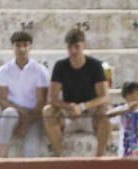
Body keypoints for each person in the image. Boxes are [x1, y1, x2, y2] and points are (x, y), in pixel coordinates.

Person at [43, 29, 111, 157]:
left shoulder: (95, 65)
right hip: (68, 113)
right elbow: (52, 98)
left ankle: (100, 156)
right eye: (70, 47)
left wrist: (83, 107)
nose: (73, 51)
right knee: (48, 111)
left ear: (84, 46)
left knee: (106, 111)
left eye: (76, 47)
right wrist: (69, 107)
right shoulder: (60, 66)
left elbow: (104, 96)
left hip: (90, 113)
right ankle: (60, 155)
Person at [0, 30, 50, 158]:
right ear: (12, 47)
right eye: (18, 45)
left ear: (30, 47)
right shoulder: (4, 70)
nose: (22, 49)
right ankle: (2, 156)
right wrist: (21, 112)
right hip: (14, 112)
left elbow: (42, 101)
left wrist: (26, 122)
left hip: (34, 115)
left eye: (25, 45)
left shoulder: (40, 71)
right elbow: (2, 100)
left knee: (31, 150)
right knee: (8, 113)